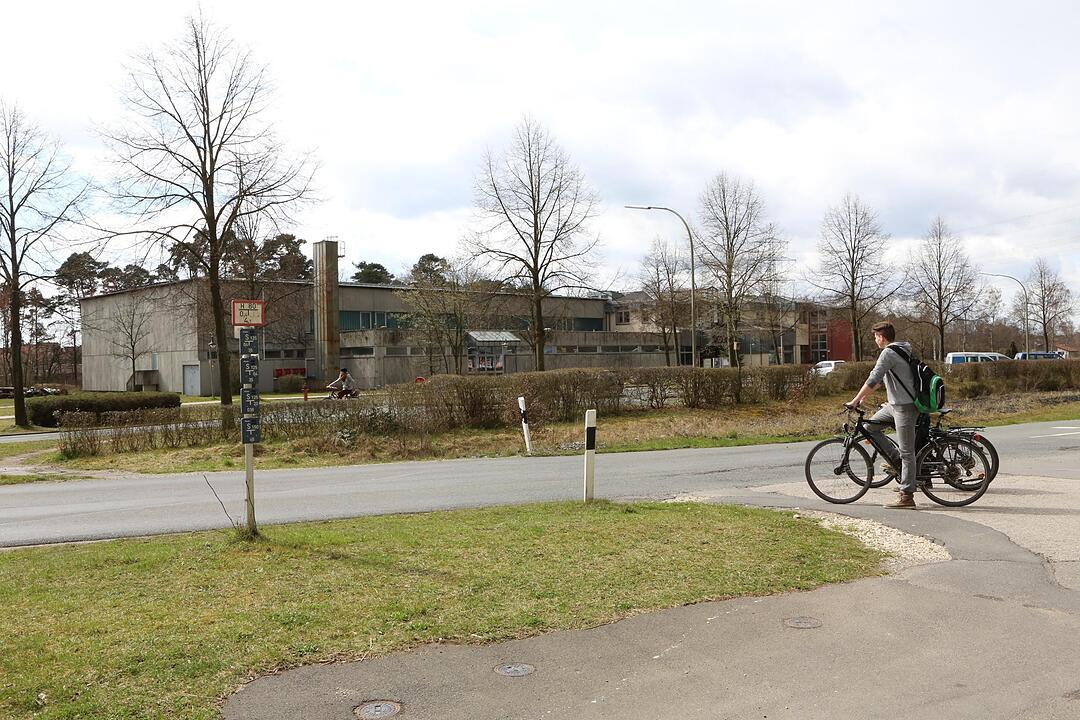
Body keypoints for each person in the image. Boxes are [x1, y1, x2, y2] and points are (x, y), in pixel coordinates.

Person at [845, 321, 920, 509]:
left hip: (905, 407)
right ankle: (897, 464)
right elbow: (880, 381)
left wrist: (854, 401)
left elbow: (873, 378)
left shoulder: (889, 352)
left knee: (907, 452)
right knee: (870, 428)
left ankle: (907, 497)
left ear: (882, 337)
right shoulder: (901, 349)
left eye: (876, 337)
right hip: (894, 406)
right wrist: (862, 398)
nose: (875, 340)